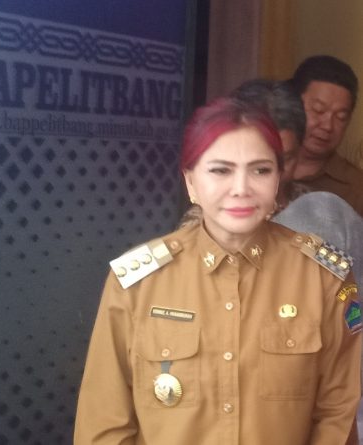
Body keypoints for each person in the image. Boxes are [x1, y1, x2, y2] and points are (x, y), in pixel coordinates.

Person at [74, 98, 361, 444]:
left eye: (260, 170)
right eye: (220, 170)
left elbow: (337, 413)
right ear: (190, 182)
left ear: (278, 179)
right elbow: (104, 422)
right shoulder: (139, 284)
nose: (241, 188)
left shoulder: (323, 279)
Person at [178, 79, 310, 228]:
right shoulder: (201, 225)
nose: (242, 188)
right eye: (259, 168)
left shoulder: (315, 207)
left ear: (300, 152)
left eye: (284, 159)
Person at [289, 55, 363, 216]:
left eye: (340, 117)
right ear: (293, 104)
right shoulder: (259, 162)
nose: (328, 126)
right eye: (318, 110)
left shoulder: (356, 188)